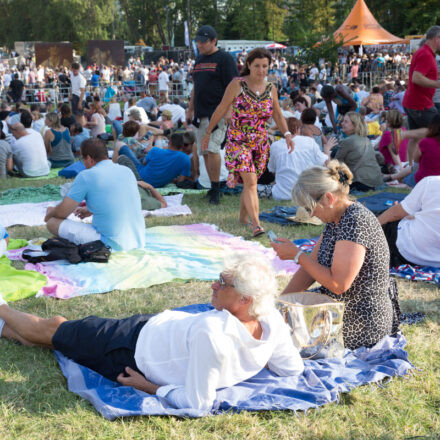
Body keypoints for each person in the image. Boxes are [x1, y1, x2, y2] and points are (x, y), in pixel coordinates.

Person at [0, 253, 303, 411]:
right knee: (57, 338)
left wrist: (150, 388)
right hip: (150, 331)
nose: (213, 285)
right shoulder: (271, 319)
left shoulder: (213, 333)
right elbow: (291, 368)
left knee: (53, 328)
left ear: (244, 300)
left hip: (126, 348)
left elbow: (198, 404)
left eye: (222, 283)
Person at [270, 161, 400, 350]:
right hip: (340, 306)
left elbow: (339, 284)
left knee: (280, 339)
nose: (310, 214)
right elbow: (310, 268)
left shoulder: (355, 221)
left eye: (310, 208)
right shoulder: (336, 219)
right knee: (277, 320)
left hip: (361, 321)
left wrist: (298, 255)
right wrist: (282, 302)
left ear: (329, 198)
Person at [202, 48, 294, 236]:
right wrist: (208, 133)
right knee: (251, 181)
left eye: (265, 66)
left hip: (260, 143)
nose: (261, 70)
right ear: (249, 66)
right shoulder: (237, 84)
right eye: (257, 66)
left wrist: (287, 135)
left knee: (249, 182)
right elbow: (221, 108)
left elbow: (277, 113)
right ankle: (256, 224)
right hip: (238, 141)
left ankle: (244, 218)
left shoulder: (271, 89)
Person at [44, 138, 145, 251]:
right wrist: (90, 210)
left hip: (110, 244)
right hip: (138, 239)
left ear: (89, 158)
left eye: (83, 159)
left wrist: (51, 211)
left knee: (52, 223)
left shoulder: (86, 176)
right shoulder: (127, 171)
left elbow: (62, 212)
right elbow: (119, 200)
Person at [186, 25, 239, 205]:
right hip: (201, 112)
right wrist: (190, 108)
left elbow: (234, 85)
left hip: (218, 111)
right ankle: (212, 187)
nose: (199, 44)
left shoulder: (224, 59)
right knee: (205, 152)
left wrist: (230, 110)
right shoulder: (199, 59)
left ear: (214, 41)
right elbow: (196, 86)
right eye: (197, 41)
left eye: (203, 41)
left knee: (213, 149)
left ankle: (216, 190)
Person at [378, 175, 440, 268]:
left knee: (386, 217)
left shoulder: (431, 182)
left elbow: (396, 213)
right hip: (436, 259)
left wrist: (371, 226)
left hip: (410, 251)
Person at [402, 26, 440, 164]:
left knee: (416, 137)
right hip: (420, 103)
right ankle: (401, 134)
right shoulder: (426, 55)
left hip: (412, 101)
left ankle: (409, 167)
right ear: (436, 39)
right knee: (436, 130)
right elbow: (417, 78)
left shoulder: (423, 52)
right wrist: (438, 84)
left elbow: (424, 73)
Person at [267, 117, 330, 200]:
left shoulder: (275, 146)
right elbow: (325, 164)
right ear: (297, 128)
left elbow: (272, 170)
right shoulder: (309, 141)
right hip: (307, 194)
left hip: (282, 194)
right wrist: (327, 151)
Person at [118, 133, 192, 188]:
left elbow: (144, 163)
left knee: (120, 145)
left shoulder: (155, 150)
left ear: (169, 142)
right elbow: (181, 181)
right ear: (182, 145)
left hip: (139, 177)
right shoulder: (186, 159)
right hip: (155, 184)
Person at [335, 112, 383, 192]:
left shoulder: (347, 141)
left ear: (354, 126)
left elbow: (335, 164)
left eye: (346, 121)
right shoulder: (366, 139)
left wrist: (326, 151)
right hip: (377, 180)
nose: (342, 123)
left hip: (362, 182)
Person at [379, 110, 409, 174]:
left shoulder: (388, 134)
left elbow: (394, 154)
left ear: (389, 122)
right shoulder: (404, 130)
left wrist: (401, 170)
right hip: (404, 163)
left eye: (386, 119)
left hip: (393, 167)